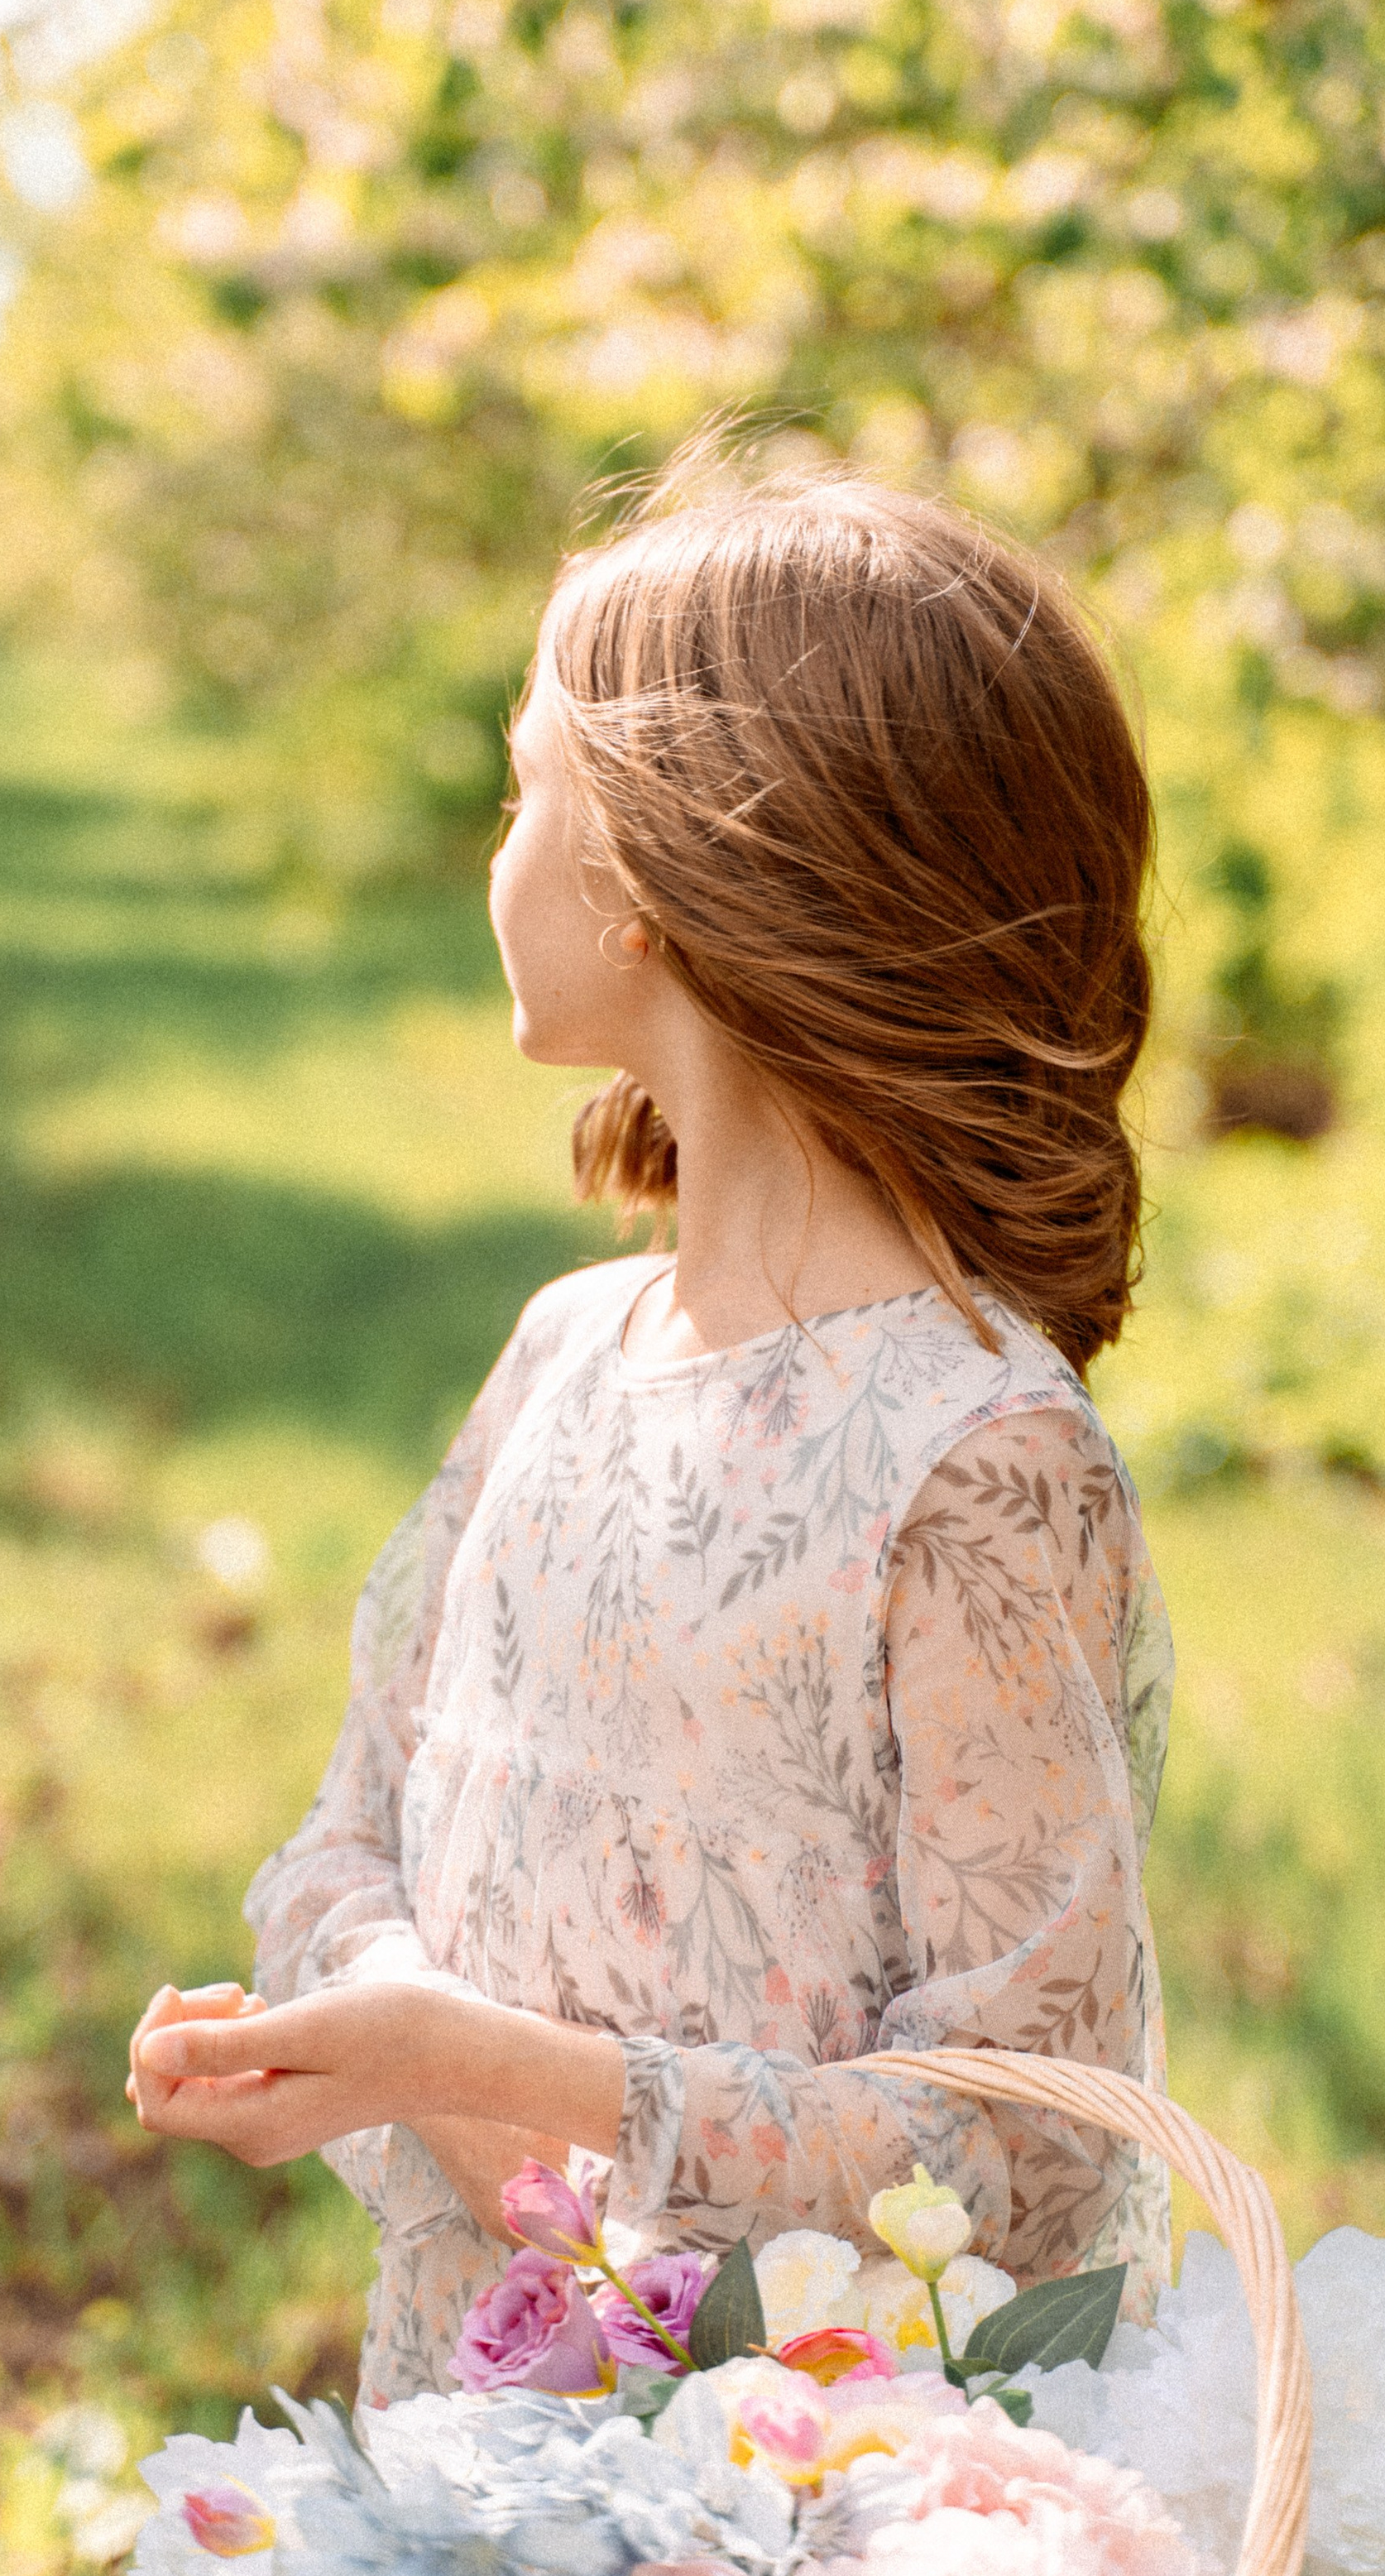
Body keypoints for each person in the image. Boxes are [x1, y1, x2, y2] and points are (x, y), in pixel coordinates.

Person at [127, 460, 1175, 2408]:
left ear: (653, 873)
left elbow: (1025, 2149)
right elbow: (353, 1830)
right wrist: (389, 2033)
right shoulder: (564, 1352)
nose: (496, 852)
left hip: (811, 2494)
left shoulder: (970, 1458)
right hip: (483, 2442)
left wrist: (481, 2074)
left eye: (523, 791)